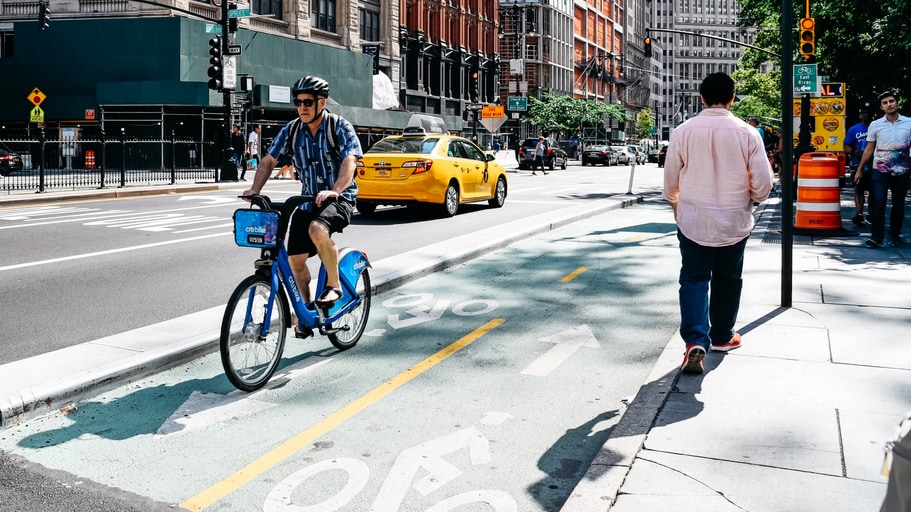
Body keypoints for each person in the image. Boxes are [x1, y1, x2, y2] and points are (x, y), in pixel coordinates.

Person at [663, 72, 773, 374]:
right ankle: (722, 336)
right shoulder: (748, 133)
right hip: (734, 219)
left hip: (693, 218)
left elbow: (671, 178)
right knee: (728, 278)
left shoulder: (684, 131)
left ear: (701, 98)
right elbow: (763, 183)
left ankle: (695, 341)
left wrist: (676, 202)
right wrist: (753, 198)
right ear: (732, 98)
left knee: (694, 278)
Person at [242, 76, 362, 331]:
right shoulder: (293, 130)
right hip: (307, 201)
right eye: (298, 102)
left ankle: (334, 285)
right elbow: (268, 160)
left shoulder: (339, 127)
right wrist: (255, 189)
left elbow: (349, 161)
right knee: (295, 260)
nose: (302, 107)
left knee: (317, 229)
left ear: (322, 103)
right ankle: (307, 313)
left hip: (340, 198)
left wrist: (335, 190)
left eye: (308, 102)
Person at [856, 90, 911, 248]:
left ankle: (895, 235)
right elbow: (869, 148)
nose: (889, 105)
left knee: (898, 203)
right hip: (880, 168)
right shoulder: (876, 125)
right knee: (878, 201)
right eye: (885, 103)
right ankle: (876, 237)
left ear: (897, 103)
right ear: (881, 107)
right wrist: (860, 168)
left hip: (902, 169)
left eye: (891, 101)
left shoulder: (909, 122)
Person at [844, 104, 873, 225]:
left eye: (868, 113)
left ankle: (871, 213)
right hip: (857, 162)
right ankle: (859, 213)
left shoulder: (877, 127)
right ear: (860, 115)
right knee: (859, 189)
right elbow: (845, 145)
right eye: (863, 113)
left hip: (875, 163)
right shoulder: (854, 129)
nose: (866, 115)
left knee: (875, 190)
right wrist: (853, 151)